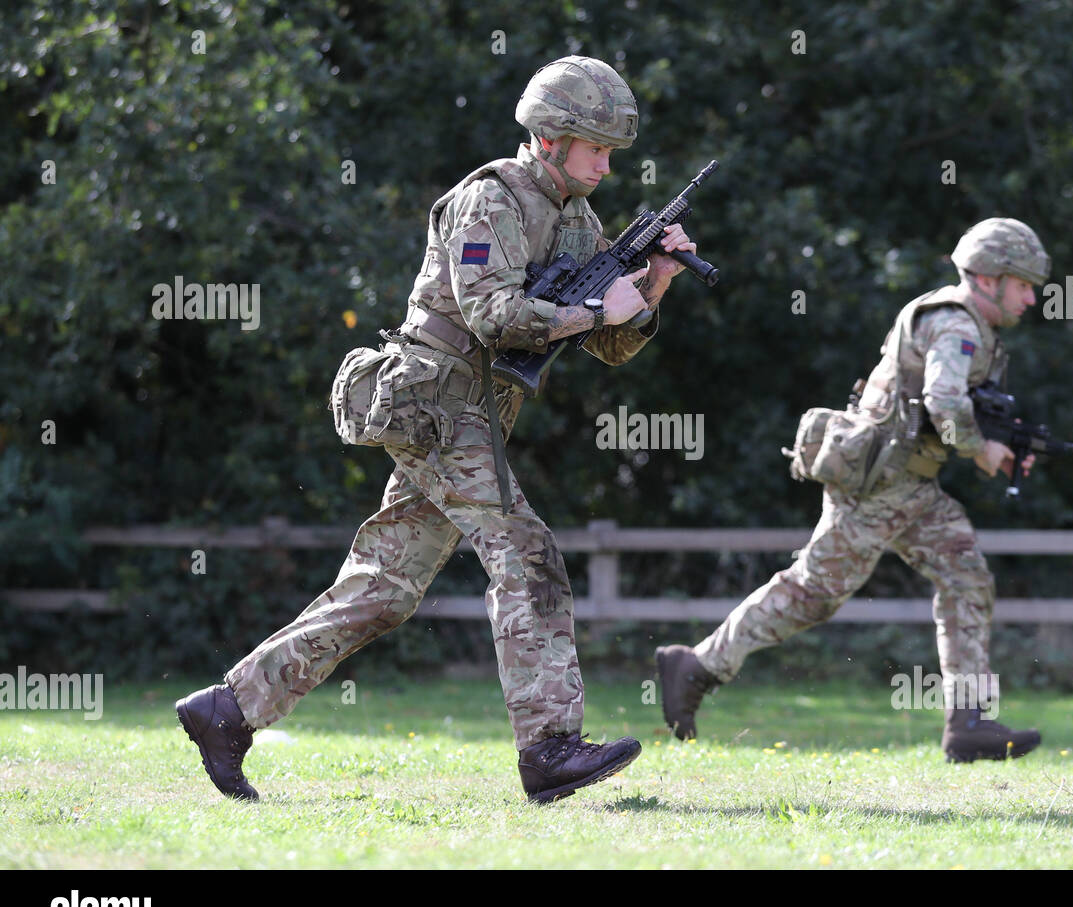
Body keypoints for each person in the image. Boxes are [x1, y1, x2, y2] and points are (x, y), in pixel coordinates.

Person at [177, 56, 696, 803]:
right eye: (598, 149)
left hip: (474, 415)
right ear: (552, 138)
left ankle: (227, 711)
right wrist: (593, 311)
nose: (609, 166)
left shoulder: (575, 217)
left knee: (383, 588)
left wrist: (655, 284)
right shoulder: (490, 200)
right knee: (528, 554)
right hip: (438, 406)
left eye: (613, 151)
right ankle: (549, 748)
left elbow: (610, 344)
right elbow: (492, 315)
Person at [657, 218, 1048, 763]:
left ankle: (969, 721)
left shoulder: (966, 327)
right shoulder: (956, 325)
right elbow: (945, 403)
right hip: (878, 485)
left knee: (967, 578)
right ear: (988, 278)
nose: (1032, 297)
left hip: (911, 485)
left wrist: (1003, 440)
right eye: (1023, 284)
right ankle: (696, 667)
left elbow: (955, 407)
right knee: (812, 594)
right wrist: (982, 450)